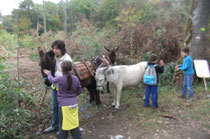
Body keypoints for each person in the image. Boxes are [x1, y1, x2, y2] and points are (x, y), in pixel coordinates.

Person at [44, 61, 82, 139]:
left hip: (64, 107)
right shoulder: (76, 78)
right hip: (74, 105)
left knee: (63, 128)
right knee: (74, 125)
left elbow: (52, 80)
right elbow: (79, 91)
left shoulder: (61, 78)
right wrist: (72, 97)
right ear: (71, 68)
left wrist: (48, 73)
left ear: (62, 69)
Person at [43, 40, 72, 133]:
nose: (55, 50)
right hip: (55, 86)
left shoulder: (67, 59)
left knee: (61, 109)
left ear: (62, 49)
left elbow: (65, 75)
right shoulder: (56, 58)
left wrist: (52, 74)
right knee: (54, 107)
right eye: (53, 48)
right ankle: (54, 125)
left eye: (57, 48)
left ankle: (62, 128)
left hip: (63, 88)